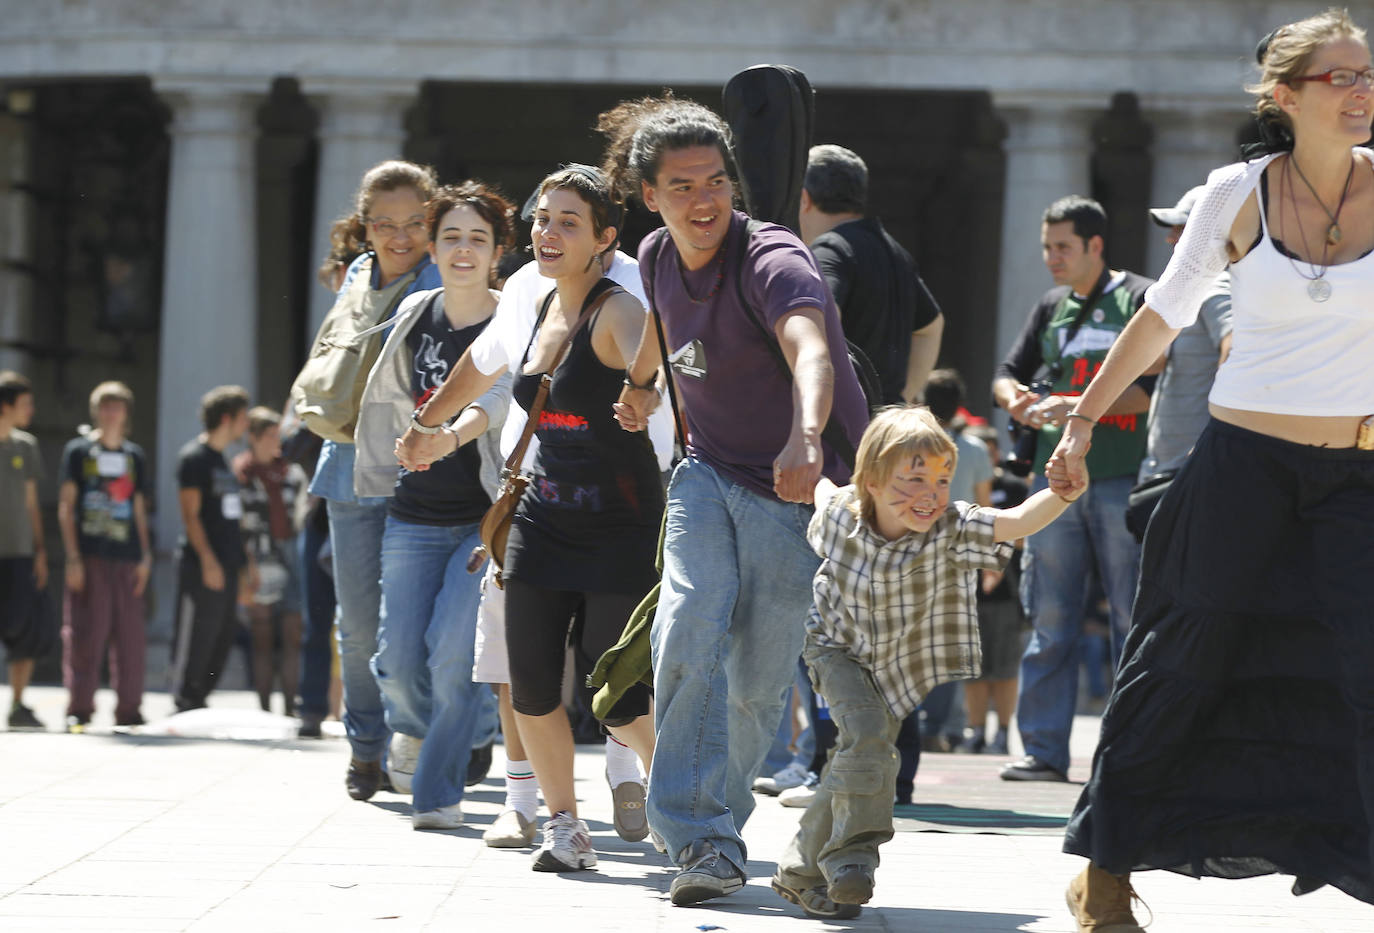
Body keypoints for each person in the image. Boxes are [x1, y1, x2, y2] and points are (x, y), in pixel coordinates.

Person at [1051, 11, 1374, 928]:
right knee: (1178, 665)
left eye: (1369, 76)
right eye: (1339, 78)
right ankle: (1106, 874)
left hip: (1358, 477)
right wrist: (1079, 421)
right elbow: (1161, 315)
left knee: (1366, 675)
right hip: (1239, 472)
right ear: (1285, 95)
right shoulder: (1236, 194)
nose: (1362, 92)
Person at [604, 95, 869, 906]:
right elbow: (659, 319)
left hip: (795, 489)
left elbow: (812, 347)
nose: (703, 199)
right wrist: (641, 383)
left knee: (756, 680)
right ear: (650, 194)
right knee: (688, 624)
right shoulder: (653, 254)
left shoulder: (772, 258)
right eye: (681, 185)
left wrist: (808, 433)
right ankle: (701, 839)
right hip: (706, 474)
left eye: (716, 180)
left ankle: (718, 814)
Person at [397, 165, 661, 872]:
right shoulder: (531, 297)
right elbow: (483, 364)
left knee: (615, 695)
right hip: (542, 515)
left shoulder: (621, 307)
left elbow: (660, 359)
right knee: (535, 683)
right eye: (543, 219)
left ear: (606, 237)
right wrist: (428, 425)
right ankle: (564, 825)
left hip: (620, 520)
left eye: (568, 222)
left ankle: (686, 797)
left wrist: (641, 393)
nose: (547, 232)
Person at [772, 406, 1086, 920]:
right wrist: (802, 450)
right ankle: (853, 858)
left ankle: (799, 871)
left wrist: (1063, 493)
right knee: (869, 738)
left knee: (859, 754)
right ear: (871, 482)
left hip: (898, 660)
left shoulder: (952, 525)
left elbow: (1016, 521)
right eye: (914, 477)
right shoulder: (839, 514)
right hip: (836, 649)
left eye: (942, 479)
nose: (931, 493)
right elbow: (822, 488)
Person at [355, 181, 514, 831]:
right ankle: (449, 725)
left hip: (482, 518)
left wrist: (446, 434)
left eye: (478, 237)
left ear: (498, 251)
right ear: (433, 245)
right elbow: (385, 394)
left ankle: (438, 789)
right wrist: (381, 467)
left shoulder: (515, 322)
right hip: (413, 514)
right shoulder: (418, 310)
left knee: (454, 654)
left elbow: (497, 402)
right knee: (396, 659)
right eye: (450, 236)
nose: (463, 248)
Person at [991, 196, 1155, 783]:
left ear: (1095, 246)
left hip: (1120, 477)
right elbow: (1005, 374)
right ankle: (1042, 751)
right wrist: (1021, 402)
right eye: (1046, 246)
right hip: (1053, 481)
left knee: (1132, 617)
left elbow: (1154, 389)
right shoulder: (1050, 306)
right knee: (1050, 614)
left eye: (1062, 247)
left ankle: (1133, 752)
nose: (1051, 258)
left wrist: (1080, 408)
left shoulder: (1139, 297)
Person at [302, 160, 441, 800]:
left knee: (415, 627)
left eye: (414, 222)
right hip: (347, 466)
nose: (401, 236)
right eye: (385, 224)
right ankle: (364, 747)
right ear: (365, 228)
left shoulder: (445, 277)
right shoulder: (356, 275)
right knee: (356, 625)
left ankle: (435, 737)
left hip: (421, 470)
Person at [799, 143, 944, 405]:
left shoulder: (829, 250)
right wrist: (898, 398)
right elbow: (931, 327)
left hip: (845, 426)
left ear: (804, 199)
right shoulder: (895, 250)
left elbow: (821, 319)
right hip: (886, 423)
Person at [58, 381, 151, 731]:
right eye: (105, 406)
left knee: (130, 637)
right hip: (90, 554)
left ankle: (130, 709)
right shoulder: (78, 452)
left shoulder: (134, 456)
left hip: (126, 556)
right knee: (85, 633)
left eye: (117, 406)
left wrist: (145, 556)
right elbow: (67, 505)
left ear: (126, 413)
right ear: (96, 411)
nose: (111, 413)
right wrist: (72, 557)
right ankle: (79, 707)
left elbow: (139, 507)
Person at [1139, 185, 1234, 482]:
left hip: (1194, 471)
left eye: (1181, 228)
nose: (1170, 237)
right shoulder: (1194, 291)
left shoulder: (1217, 287)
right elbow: (1152, 363)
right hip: (1170, 469)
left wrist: (1214, 440)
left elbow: (1236, 352)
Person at [171, 385, 254, 712]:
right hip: (202, 565)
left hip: (229, 565)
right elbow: (190, 516)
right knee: (196, 637)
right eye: (243, 417)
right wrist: (208, 561)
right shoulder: (194, 458)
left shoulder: (224, 460)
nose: (246, 424)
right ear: (226, 418)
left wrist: (245, 567)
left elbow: (234, 519)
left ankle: (200, 698)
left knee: (220, 638)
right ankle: (184, 699)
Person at [232, 407, 306, 717]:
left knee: (291, 634)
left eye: (279, 434)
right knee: (261, 638)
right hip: (255, 556)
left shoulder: (292, 473)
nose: (277, 442)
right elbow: (236, 523)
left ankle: (290, 709)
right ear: (254, 438)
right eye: (271, 435)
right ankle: (263, 710)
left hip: (290, 555)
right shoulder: (240, 474)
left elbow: (301, 514)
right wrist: (244, 566)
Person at [0, 372, 51, 731]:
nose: (31, 410)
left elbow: (32, 503)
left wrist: (40, 549)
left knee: (26, 629)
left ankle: (18, 704)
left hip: (19, 553)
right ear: (5, 407)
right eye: (25, 404)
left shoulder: (26, 447)